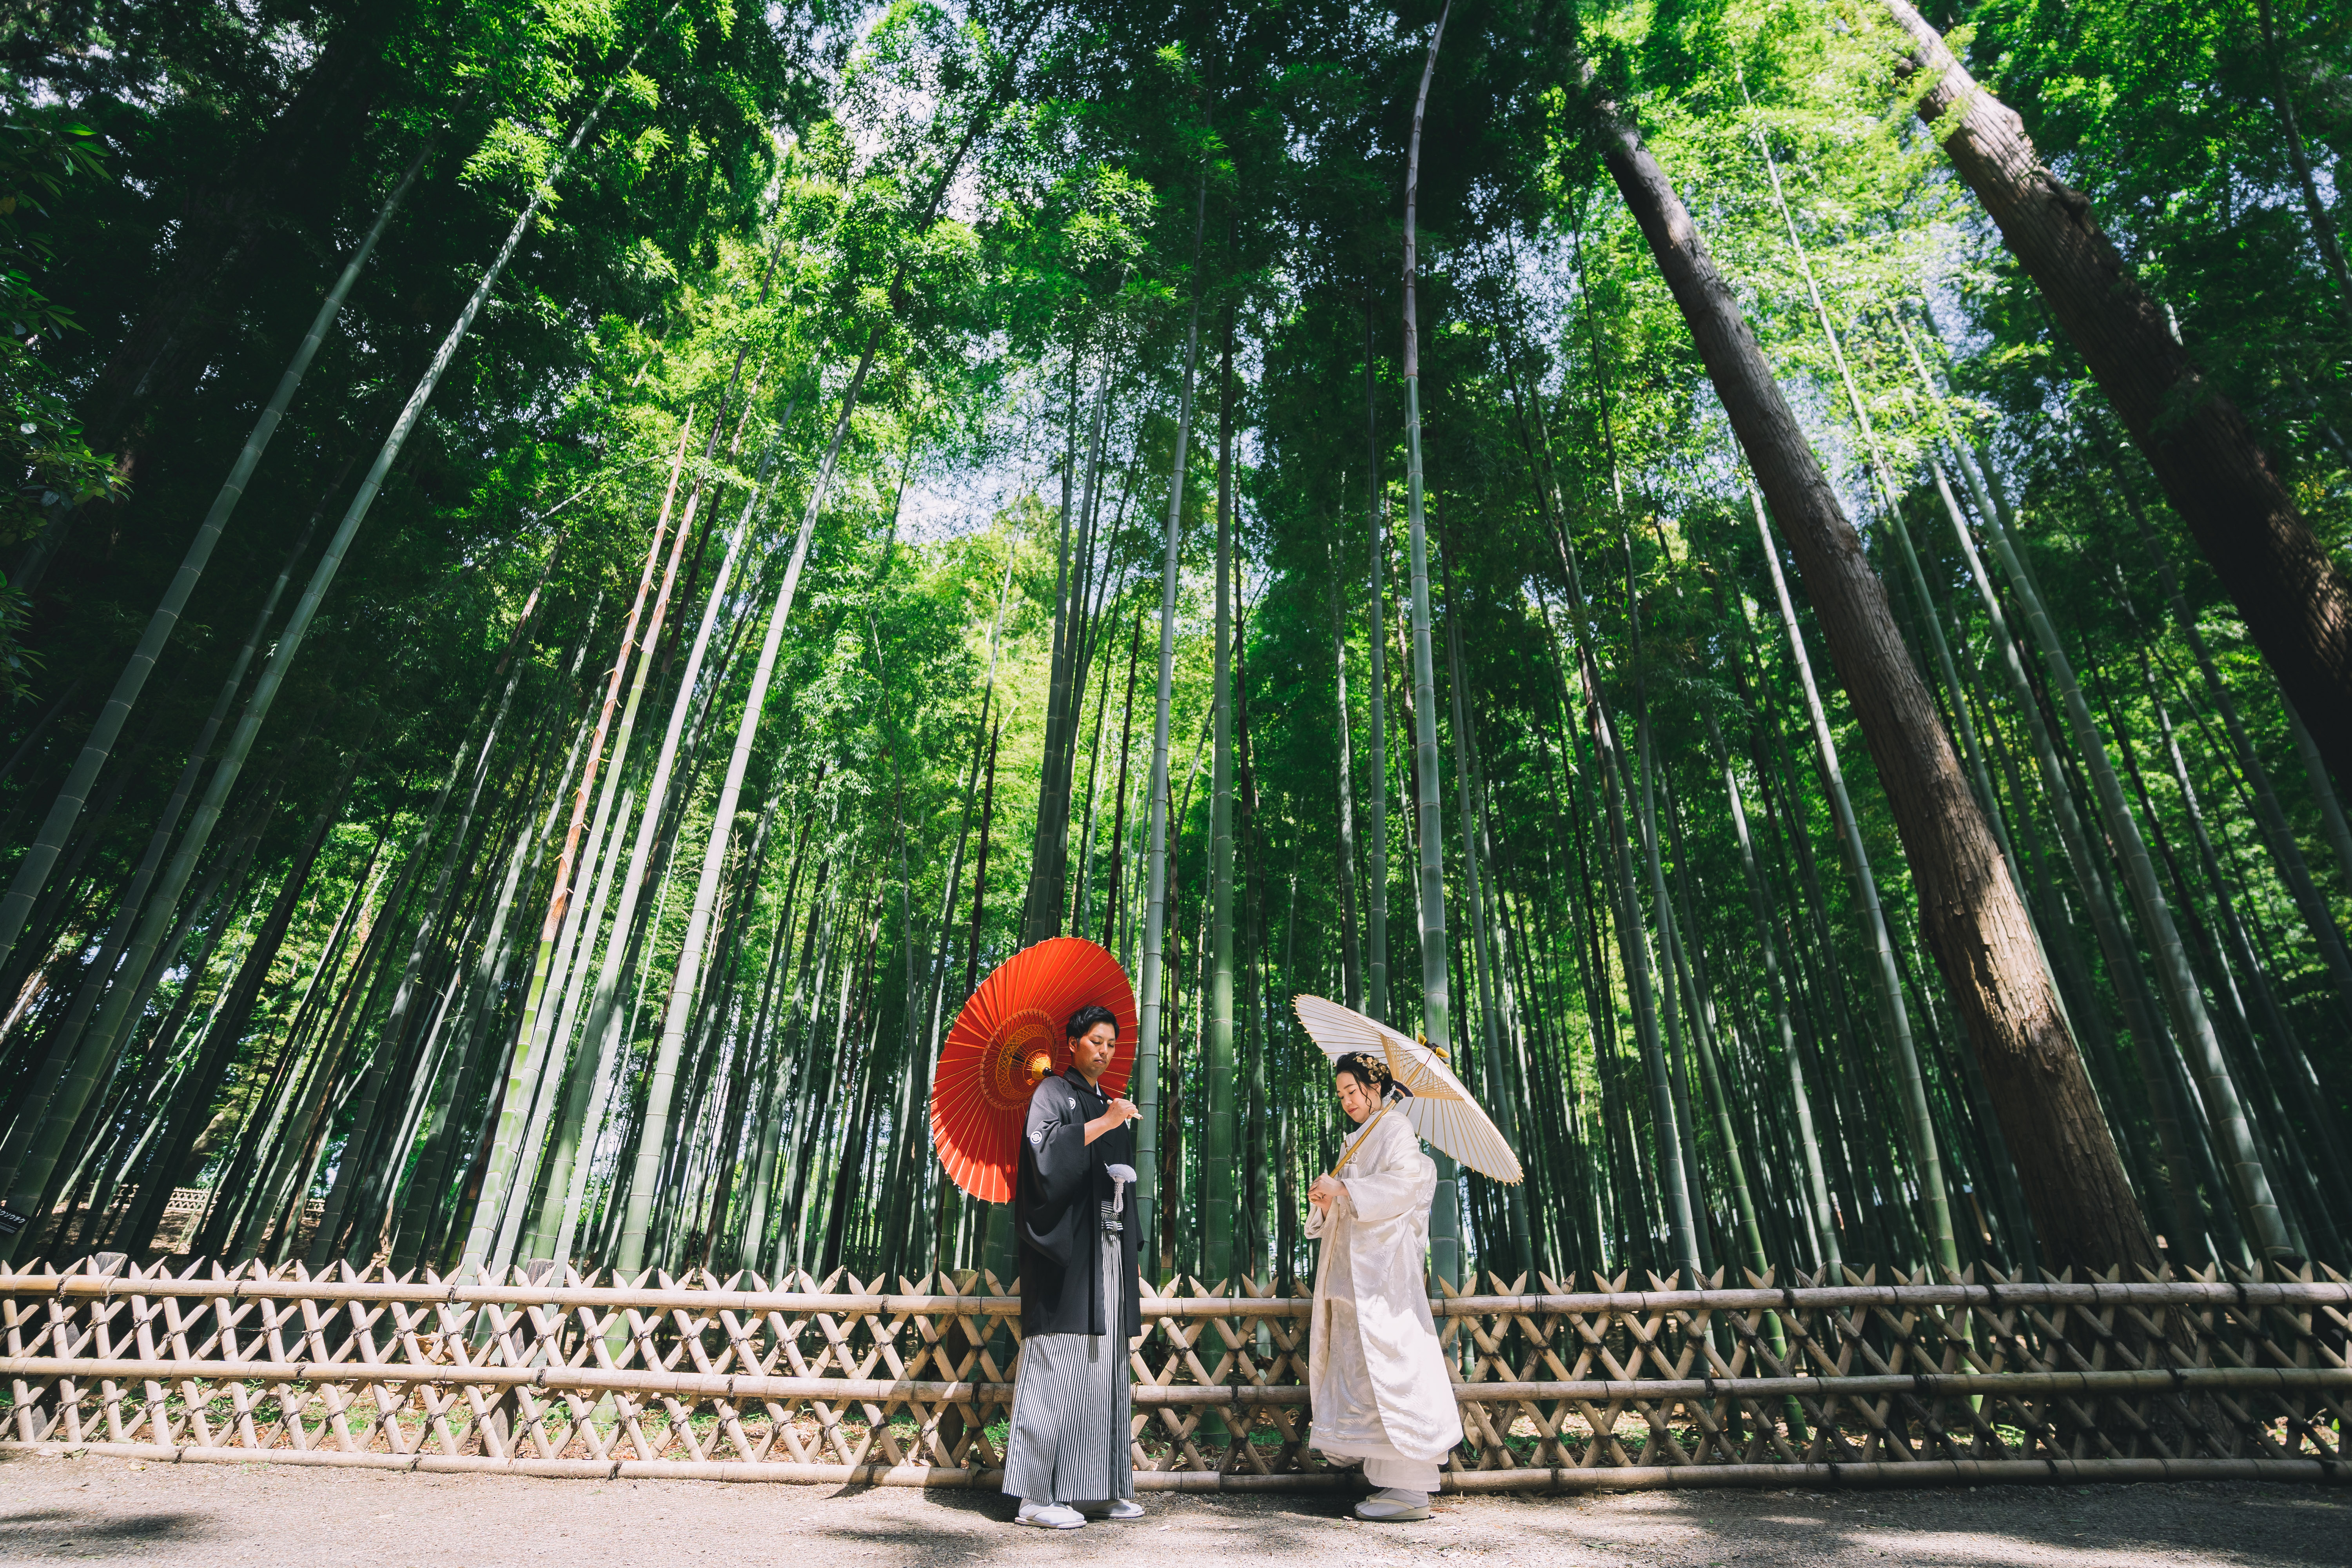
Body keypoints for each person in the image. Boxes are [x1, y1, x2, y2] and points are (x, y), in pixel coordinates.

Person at [1302, 1050, 1462, 1523]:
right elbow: (1343, 1207)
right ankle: (1391, 1484)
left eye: (1353, 1091)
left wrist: (1347, 1190)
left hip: (1385, 1277)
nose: (1347, 1100)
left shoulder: (1394, 1129)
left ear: (1376, 1088)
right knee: (1366, 1374)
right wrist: (1327, 1201)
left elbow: (1406, 1184)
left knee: (1395, 1366)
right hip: (1354, 1277)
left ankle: (1411, 1490)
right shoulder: (1359, 1138)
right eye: (1341, 1094)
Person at [1001, 1002, 1144, 1529]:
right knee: (1058, 1366)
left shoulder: (1108, 1099)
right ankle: (1035, 1497)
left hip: (1106, 1247)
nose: (1105, 1051)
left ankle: (1096, 1490)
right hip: (1063, 1254)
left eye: (1111, 1043)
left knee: (1103, 1367)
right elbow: (1042, 1161)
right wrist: (1103, 1122)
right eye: (1096, 1041)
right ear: (1072, 1043)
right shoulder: (1050, 1094)